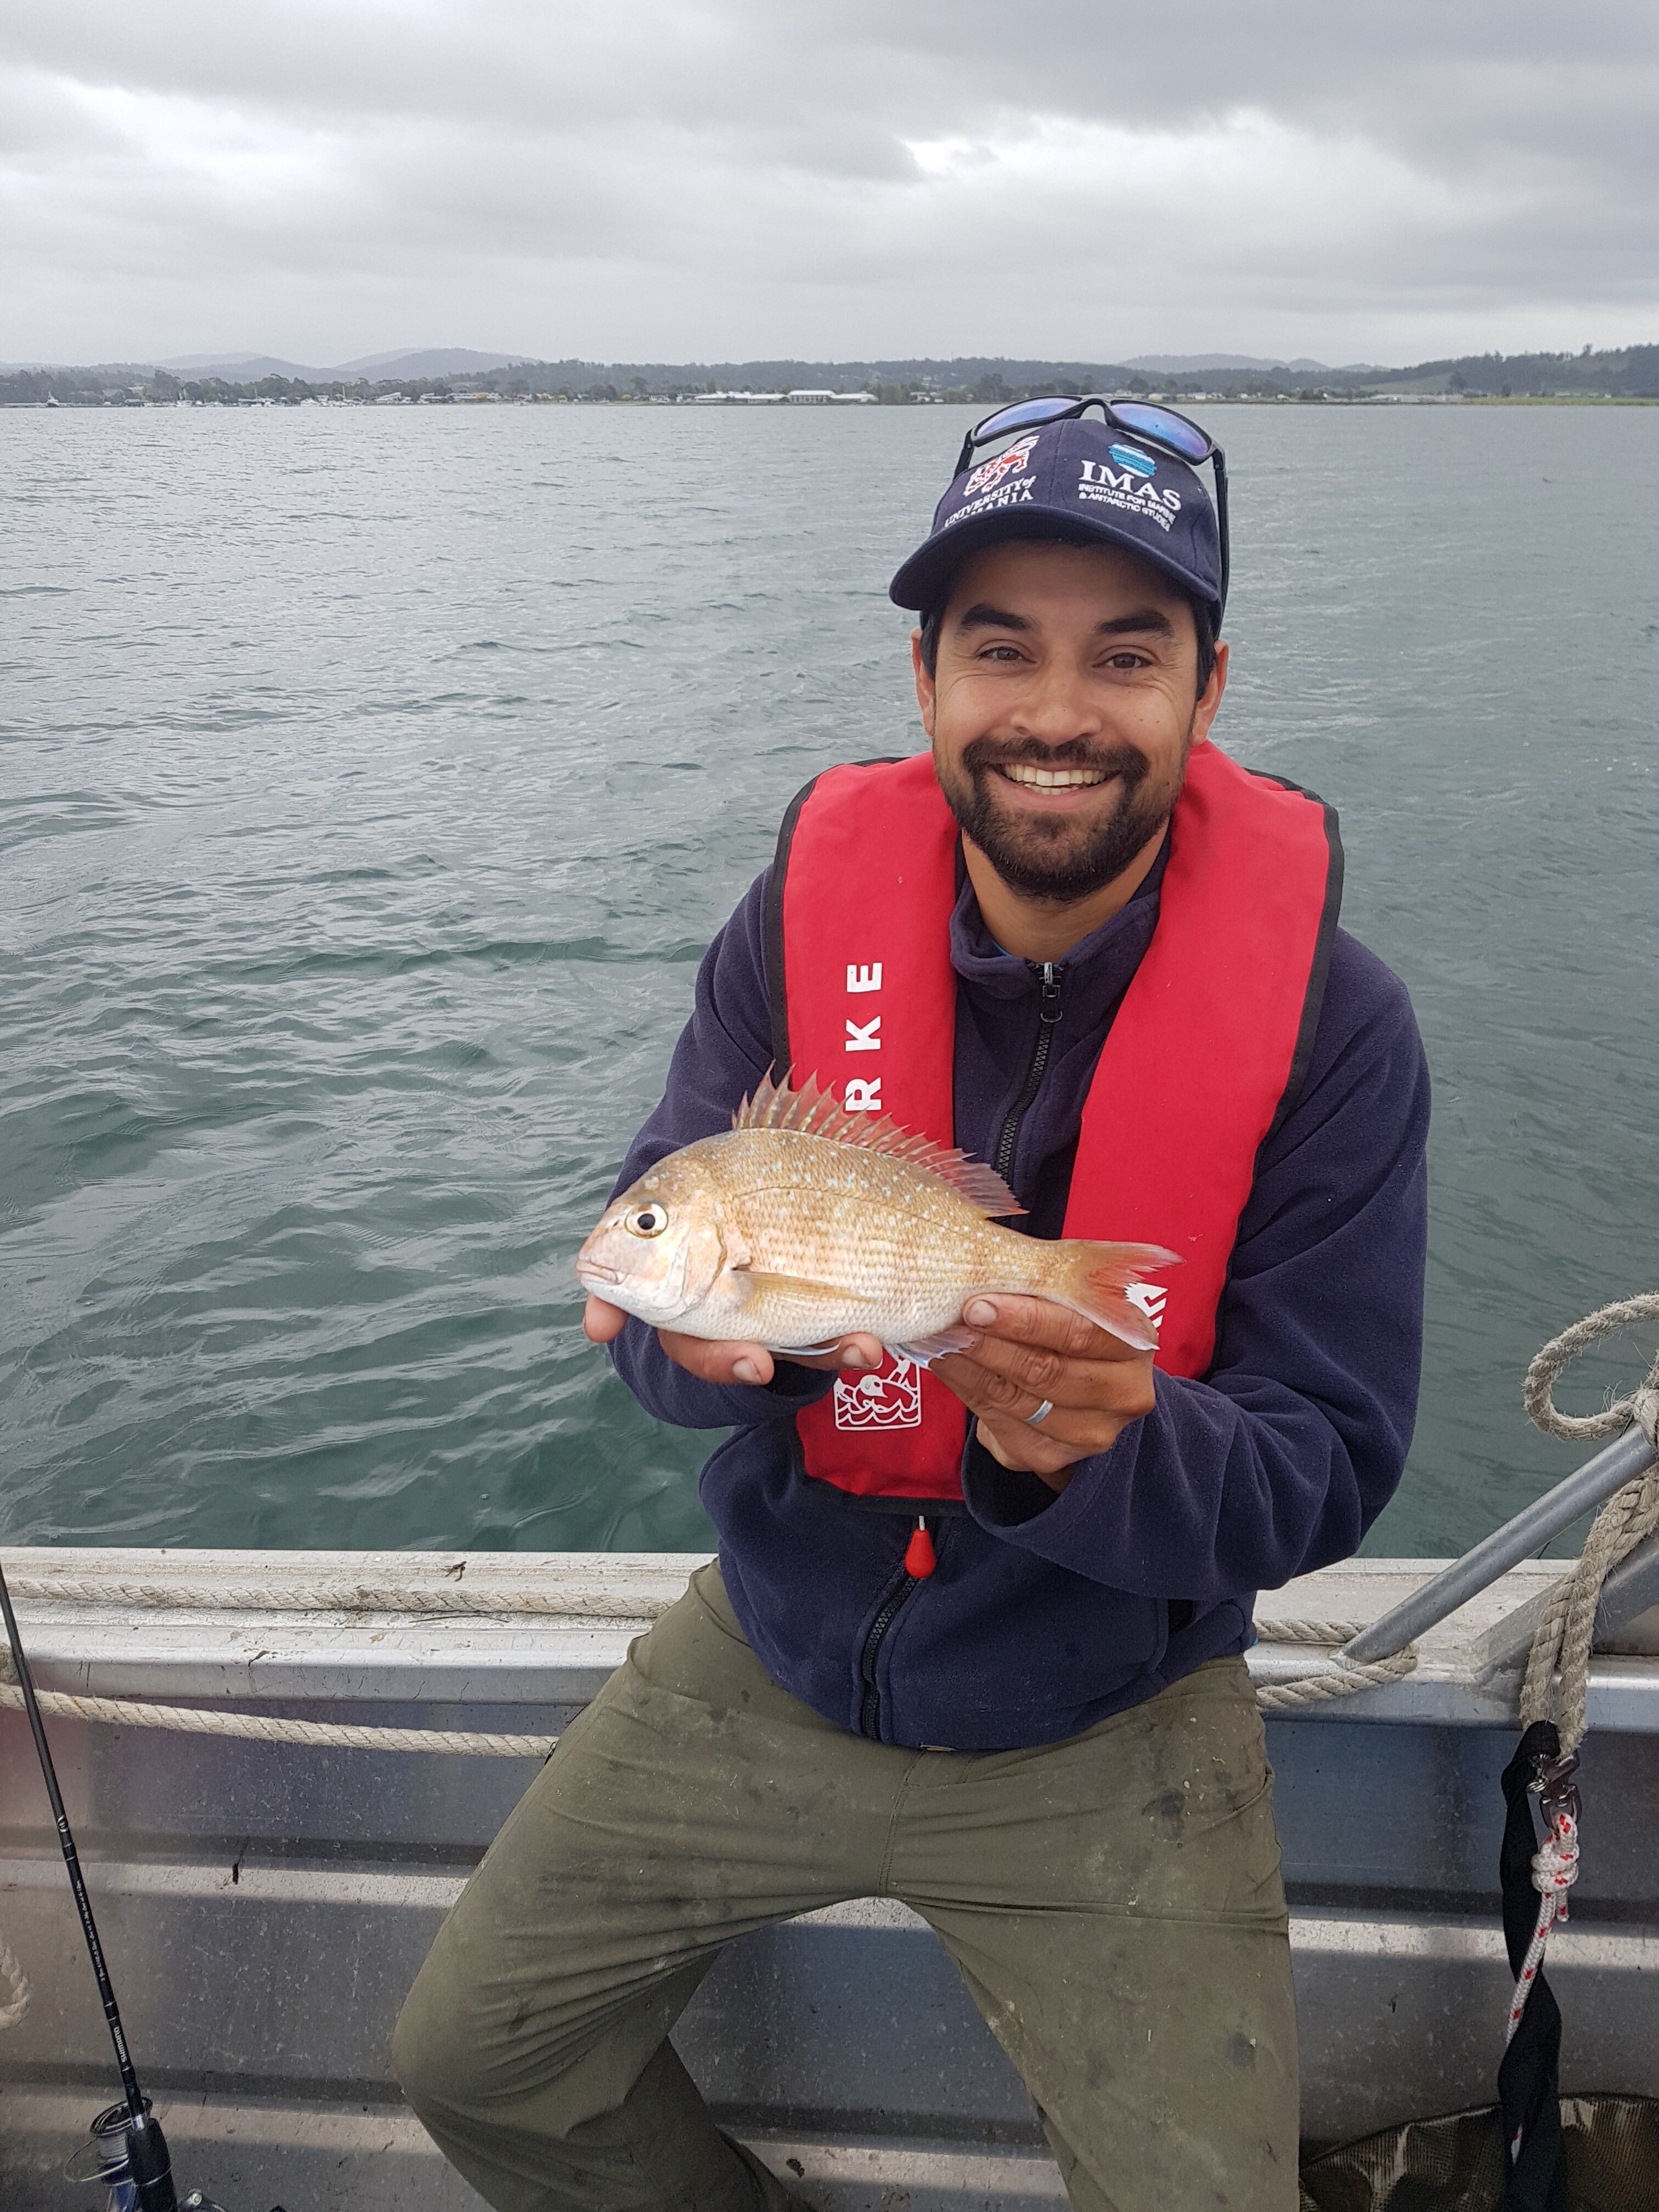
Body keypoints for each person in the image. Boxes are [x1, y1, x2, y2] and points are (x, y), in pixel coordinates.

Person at [393, 399, 1430, 2211]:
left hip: (1107, 1714)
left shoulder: (1338, 1027)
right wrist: (711, 1359)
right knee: (471, 2058)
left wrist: (1116, 1444)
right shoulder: (790, 928)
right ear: (926, 678)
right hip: (772, 1657)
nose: (1055, 710)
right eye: (998, 647)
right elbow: (658, 1290)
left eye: (1127, 652)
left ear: (1209, 681)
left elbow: (1326, 1474)